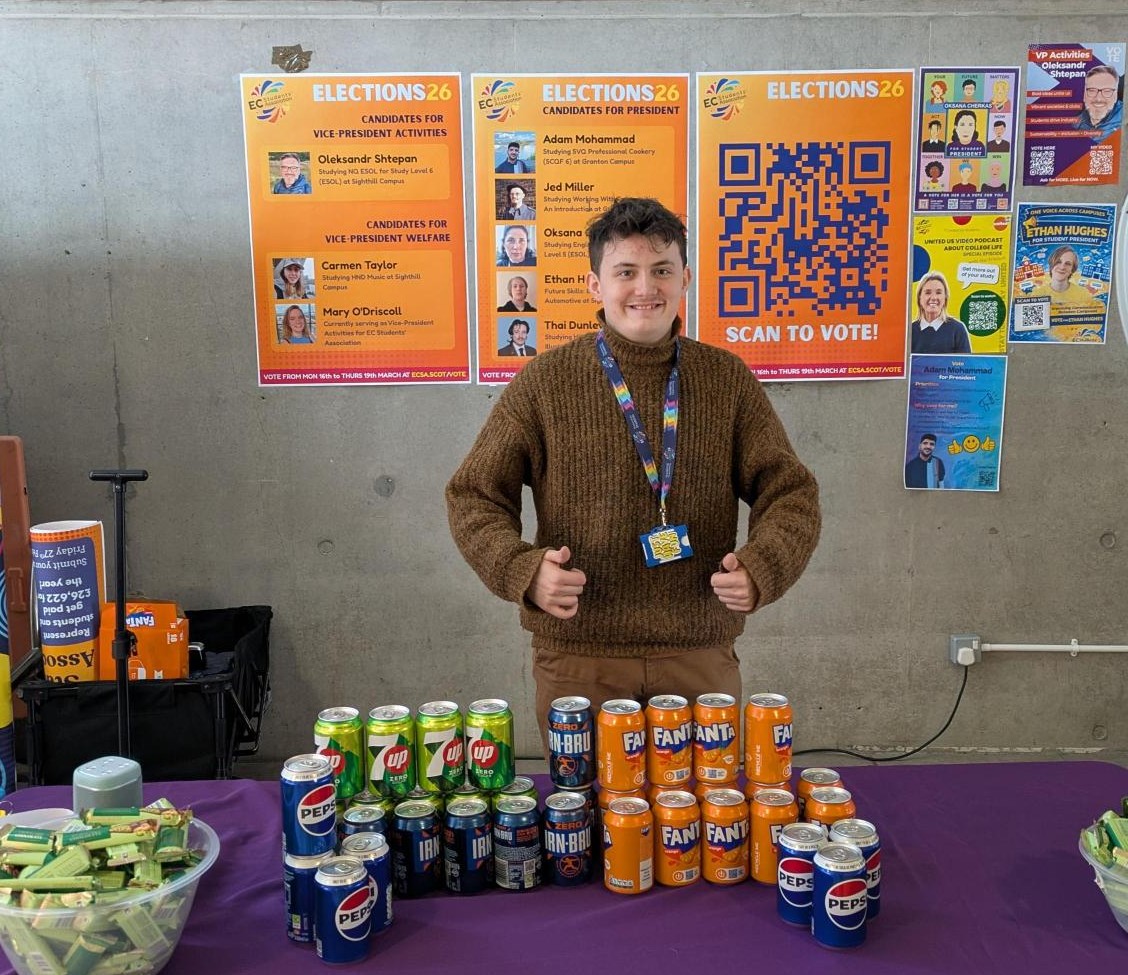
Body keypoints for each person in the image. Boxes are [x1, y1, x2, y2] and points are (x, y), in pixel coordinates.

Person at [446, 197, 821, 744]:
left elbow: (790, 493)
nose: (645, 288)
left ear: (685, 278)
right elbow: (473, 495)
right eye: (626, 271)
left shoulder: (726, 379)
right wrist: (523, 572)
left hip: (698, 652)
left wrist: (764, 567)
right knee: (588, 816)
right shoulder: (546, 381)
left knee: (695, 815)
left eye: (662, 270)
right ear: (596, 285)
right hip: (580, 655)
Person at [1028, 245, 1103, 315]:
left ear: (1072, 270)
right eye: (1058, 262)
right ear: (1051, 265)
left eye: (1068, 264)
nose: (1062, 267)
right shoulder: (1037, 294)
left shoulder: (1083, 294)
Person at [910, 271, 971, 354]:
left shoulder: (957, 329)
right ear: (919, 297)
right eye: (928, 292)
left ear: (945, 297)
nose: (934, 297)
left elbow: (966, 364)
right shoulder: (910, 331)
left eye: (938, 293)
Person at [1073, 65, 1123, 142]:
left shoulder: (1123, 117)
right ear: (1085, 95)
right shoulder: (1076, 123)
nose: (1098, 99)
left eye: (1107, 91)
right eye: (1092, 90)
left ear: (1115, 95)